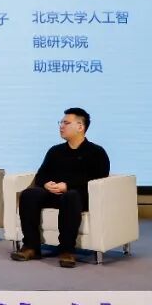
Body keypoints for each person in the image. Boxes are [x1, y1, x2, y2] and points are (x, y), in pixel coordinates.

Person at [11, 107, 110, 268]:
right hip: (54, 194)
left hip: (80, 196)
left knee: (71, 196)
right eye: (61, 122)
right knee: (29, 194)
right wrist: (46, 184)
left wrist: (68, 185)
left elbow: (99, 178)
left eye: (66, 123)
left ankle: (67, 250)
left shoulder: (96, 152)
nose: (61, 126)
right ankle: (31, 246)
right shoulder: (55, 151)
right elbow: (41, 175)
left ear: (80, 127)